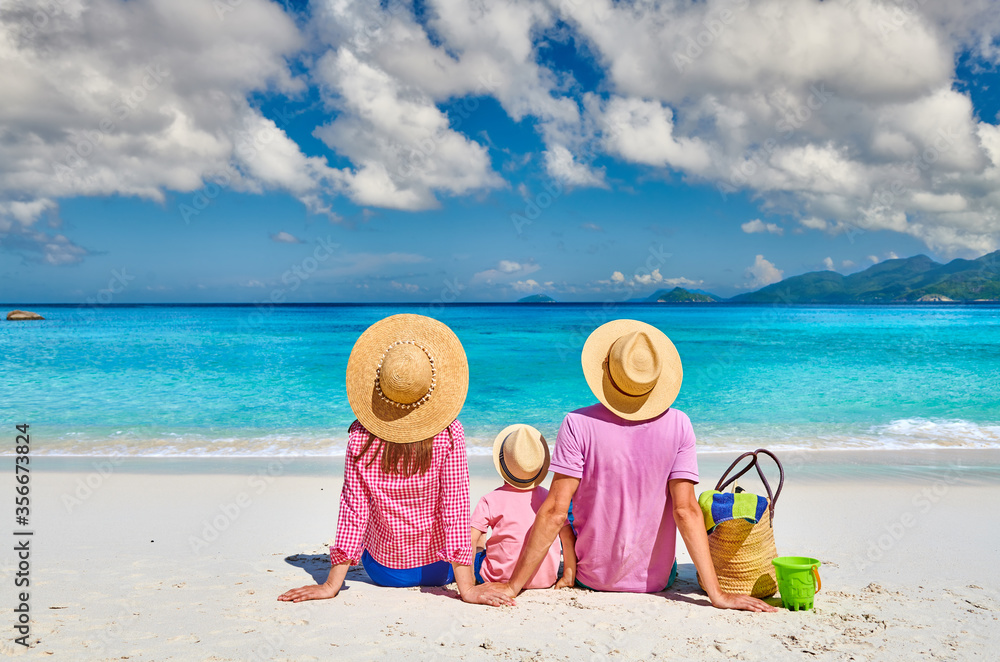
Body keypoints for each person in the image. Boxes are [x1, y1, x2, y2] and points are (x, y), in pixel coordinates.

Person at [476, 319, 778, 612]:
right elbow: (685, 511)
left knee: (567, 501)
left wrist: (513, 586)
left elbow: (555, 512)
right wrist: (717, 595)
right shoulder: (680, 424)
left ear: (607, 371)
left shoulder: (577, 423)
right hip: (656, 581)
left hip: (592, 578)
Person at [278, 314, 510, 607]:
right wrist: (468, 589)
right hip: (441, 570)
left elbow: (354, 510)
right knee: (480, 544)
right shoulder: (450, 433)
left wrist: (330, 585)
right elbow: (454, 509)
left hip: (384, 571)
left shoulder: (360, 436)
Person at [471, 424, 576, 589]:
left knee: (479, 545)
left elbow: (470, 538)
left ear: (502, 464)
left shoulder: (490, 500)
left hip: (498, 578)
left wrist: (470, 578)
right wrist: (568, 574)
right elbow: (567, 538)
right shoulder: (549, 500)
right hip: (545, 580)